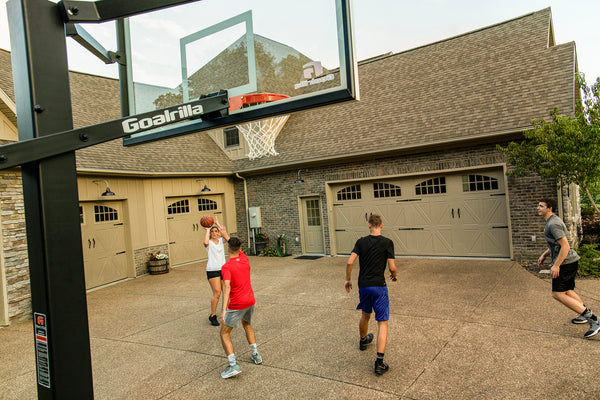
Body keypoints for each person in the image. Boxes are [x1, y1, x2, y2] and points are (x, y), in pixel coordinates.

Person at [537, 198, 600, 339]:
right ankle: (584, 314)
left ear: (549, 208)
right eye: (538, 206)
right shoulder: (552, 221)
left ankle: (594, 320)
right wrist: (544, 254)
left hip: (565, 263)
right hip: (569, 262)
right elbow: (556, 244)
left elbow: (565, 246)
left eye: (541, 206)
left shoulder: (553, 223)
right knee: (567, 291)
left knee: (558, 294)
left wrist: (556, 265)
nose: (538, 208)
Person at [345, 214, 398, 375]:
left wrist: (348, 280)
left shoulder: (361, 242)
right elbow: (392, 266)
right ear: (381, 225)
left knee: (365, 315)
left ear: (369, 225)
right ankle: (379, 363)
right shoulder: (387, 243)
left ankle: (363, 341)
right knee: (382, 323)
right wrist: (394, 275)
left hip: (364, 286)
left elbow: (349, 261)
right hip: (379, 286)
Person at [219, 237, 262, 379]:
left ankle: (233, 365)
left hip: (237, 303)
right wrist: (226, 234)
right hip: (250, 300)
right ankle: (255, 354)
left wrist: (224, 310)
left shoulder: (227, 267)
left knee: (224, 333)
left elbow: (226, 286)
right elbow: (235, 246)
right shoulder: (244, 259)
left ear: (227, 249)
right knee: (247, 324)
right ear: (239, 248)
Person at [204, 219, 229, 326]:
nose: (214, 233)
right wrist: (207, 230)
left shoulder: (221, 242)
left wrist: (218, 224)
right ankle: (213, 315)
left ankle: (226, 313)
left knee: (226, 292)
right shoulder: (209, 243)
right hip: (212, 270)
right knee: (217, 293)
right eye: (212, 232)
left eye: (216, 231)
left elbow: (226, 236)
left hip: (223, 270)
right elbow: (205, 242)